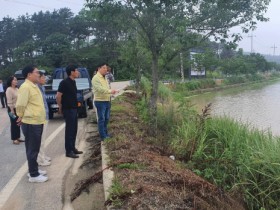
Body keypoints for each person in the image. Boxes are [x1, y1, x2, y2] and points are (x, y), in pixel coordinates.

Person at [16, 65, 48, 183]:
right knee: (32, 149)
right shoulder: (25, 87)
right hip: (31, 122)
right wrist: (20, 116)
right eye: (36, 72)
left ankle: (34, 170)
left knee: (35, 147)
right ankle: (34, 175)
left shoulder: (33, 86)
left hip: (37, 121)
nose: (38, 74)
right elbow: (20, 105)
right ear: (29, 74)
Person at [56, 65, 83, 158]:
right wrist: (60, 107)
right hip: (68, 109)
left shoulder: (73, 81)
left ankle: (73, 148)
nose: (78, 72)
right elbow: (58, 96)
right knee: (69, 130)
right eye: (76, 70)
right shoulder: (64, 82)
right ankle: (68, 151)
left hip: (74, 108)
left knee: (74, 129)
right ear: (71, 72)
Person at [92, 63, 118, 141]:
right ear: (99, 68)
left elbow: (107, 87)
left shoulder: (105, 77)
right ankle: (103, 136)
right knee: (102, 119)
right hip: (100, 101)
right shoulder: (95, 78)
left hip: (107, 100)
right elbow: (100, 89)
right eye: (104, 68)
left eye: (106, 68)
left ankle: (106, 133)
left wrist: (111, 92)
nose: (105, 69)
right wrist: (110, 91)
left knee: (106, 118)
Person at [37, 71, 51, 166]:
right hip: (40, 117)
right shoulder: (36, 88)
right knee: (40, 140)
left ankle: (43, 155)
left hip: (45, 116)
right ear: (39, 78)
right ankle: (40, 160)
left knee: (43, 139)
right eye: (43, 77)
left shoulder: (42, 87)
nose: (45, 79)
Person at [5, 76, 23, 145]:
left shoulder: (16, 89)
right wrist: (12, 110)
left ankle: (18, 137)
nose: (16, 81)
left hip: (17, 109)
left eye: (16, 80)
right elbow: (9, 101)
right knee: (14, 123)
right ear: (11, 81)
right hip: (11, 109)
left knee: (18, 123)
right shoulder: (9, 89)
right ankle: (14, 139)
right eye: (15, 80)